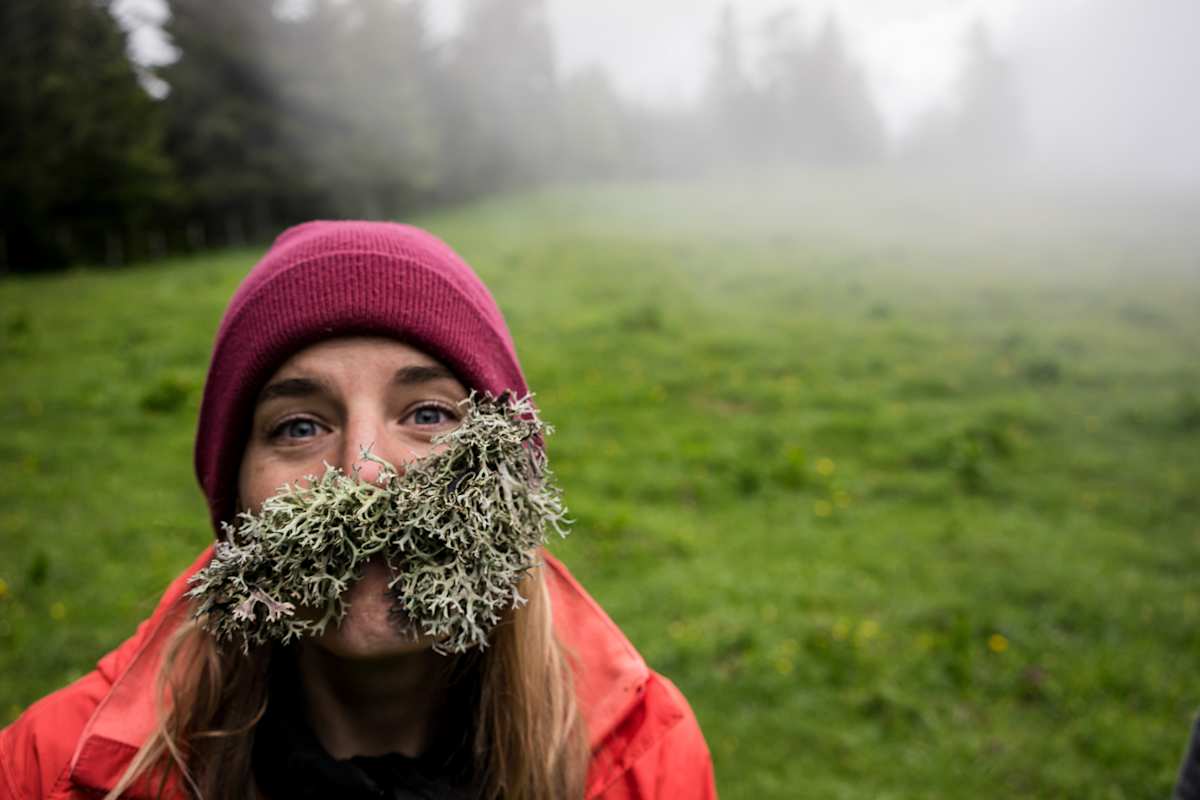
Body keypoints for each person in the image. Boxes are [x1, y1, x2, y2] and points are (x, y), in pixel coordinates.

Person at [0, 221, 716, 800]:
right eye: (299, 427)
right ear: (235, 512)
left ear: (511, 480)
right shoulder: (52, 773)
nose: (364, 473)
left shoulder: (644, 761)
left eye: (429, 413)